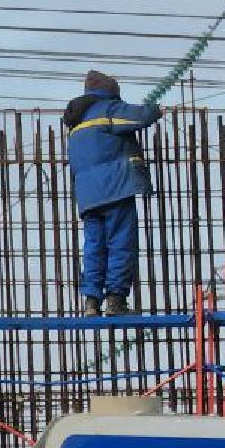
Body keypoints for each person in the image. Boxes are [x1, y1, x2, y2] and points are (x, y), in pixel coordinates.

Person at [63, 70, 162, 316]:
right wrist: (156, 110)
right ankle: (116, 299)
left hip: (88, 197)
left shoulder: (77, 124)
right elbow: (139, 117)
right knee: (120, 242)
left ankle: (91, 301)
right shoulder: (107, 109)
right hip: (115, 189)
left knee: (94, 246)